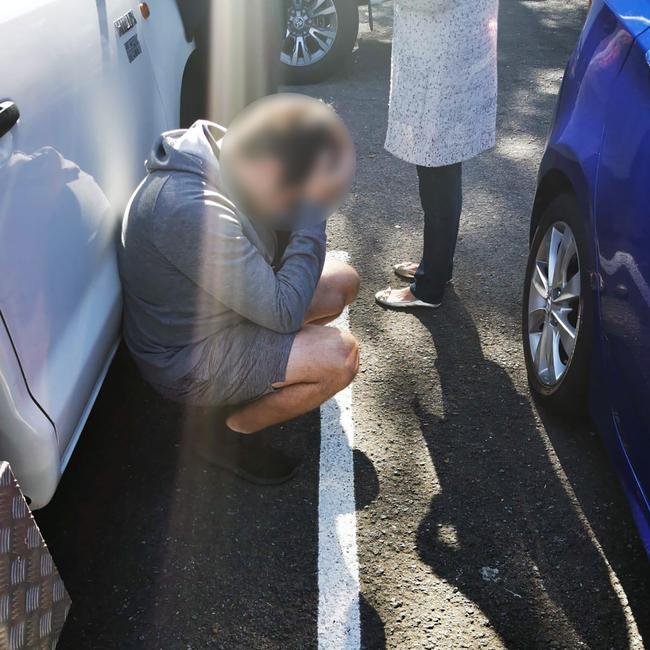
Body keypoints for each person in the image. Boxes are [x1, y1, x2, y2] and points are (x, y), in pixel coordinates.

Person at [118, 94, 359, 484]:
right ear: (268, 169)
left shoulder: (234, 152)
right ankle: (225, 433)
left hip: (217, 313)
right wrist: (312, 209)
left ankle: (268, 375)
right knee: (340, 357)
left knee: (342, 282)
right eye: (290, 194)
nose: (291, 205)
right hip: (184, 357)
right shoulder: (188, 208)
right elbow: (285, 314)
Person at [375, 0, 499, 309]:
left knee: (437, 168)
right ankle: (437, 267)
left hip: (443, 59)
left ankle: (429, 286)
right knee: (439, 167)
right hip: (446, 51)